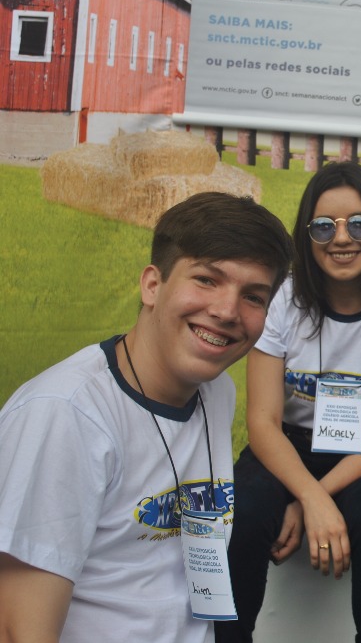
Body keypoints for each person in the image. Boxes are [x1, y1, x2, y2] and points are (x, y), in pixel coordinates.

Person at [0, 192, 293, 643]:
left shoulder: (216, 392)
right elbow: (20, 629)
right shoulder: (64, 414)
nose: (227, 311)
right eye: (207, 280)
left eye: (253, 296)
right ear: (152, 285)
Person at [216, 163, 361, 643]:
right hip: (286, 444)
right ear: (307, 236)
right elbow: (262, 422)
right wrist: (310, 495)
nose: (341, 238)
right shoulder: (283, 300)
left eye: (358, 224)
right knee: (245, 516)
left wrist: (313, 498)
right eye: (324, 226)